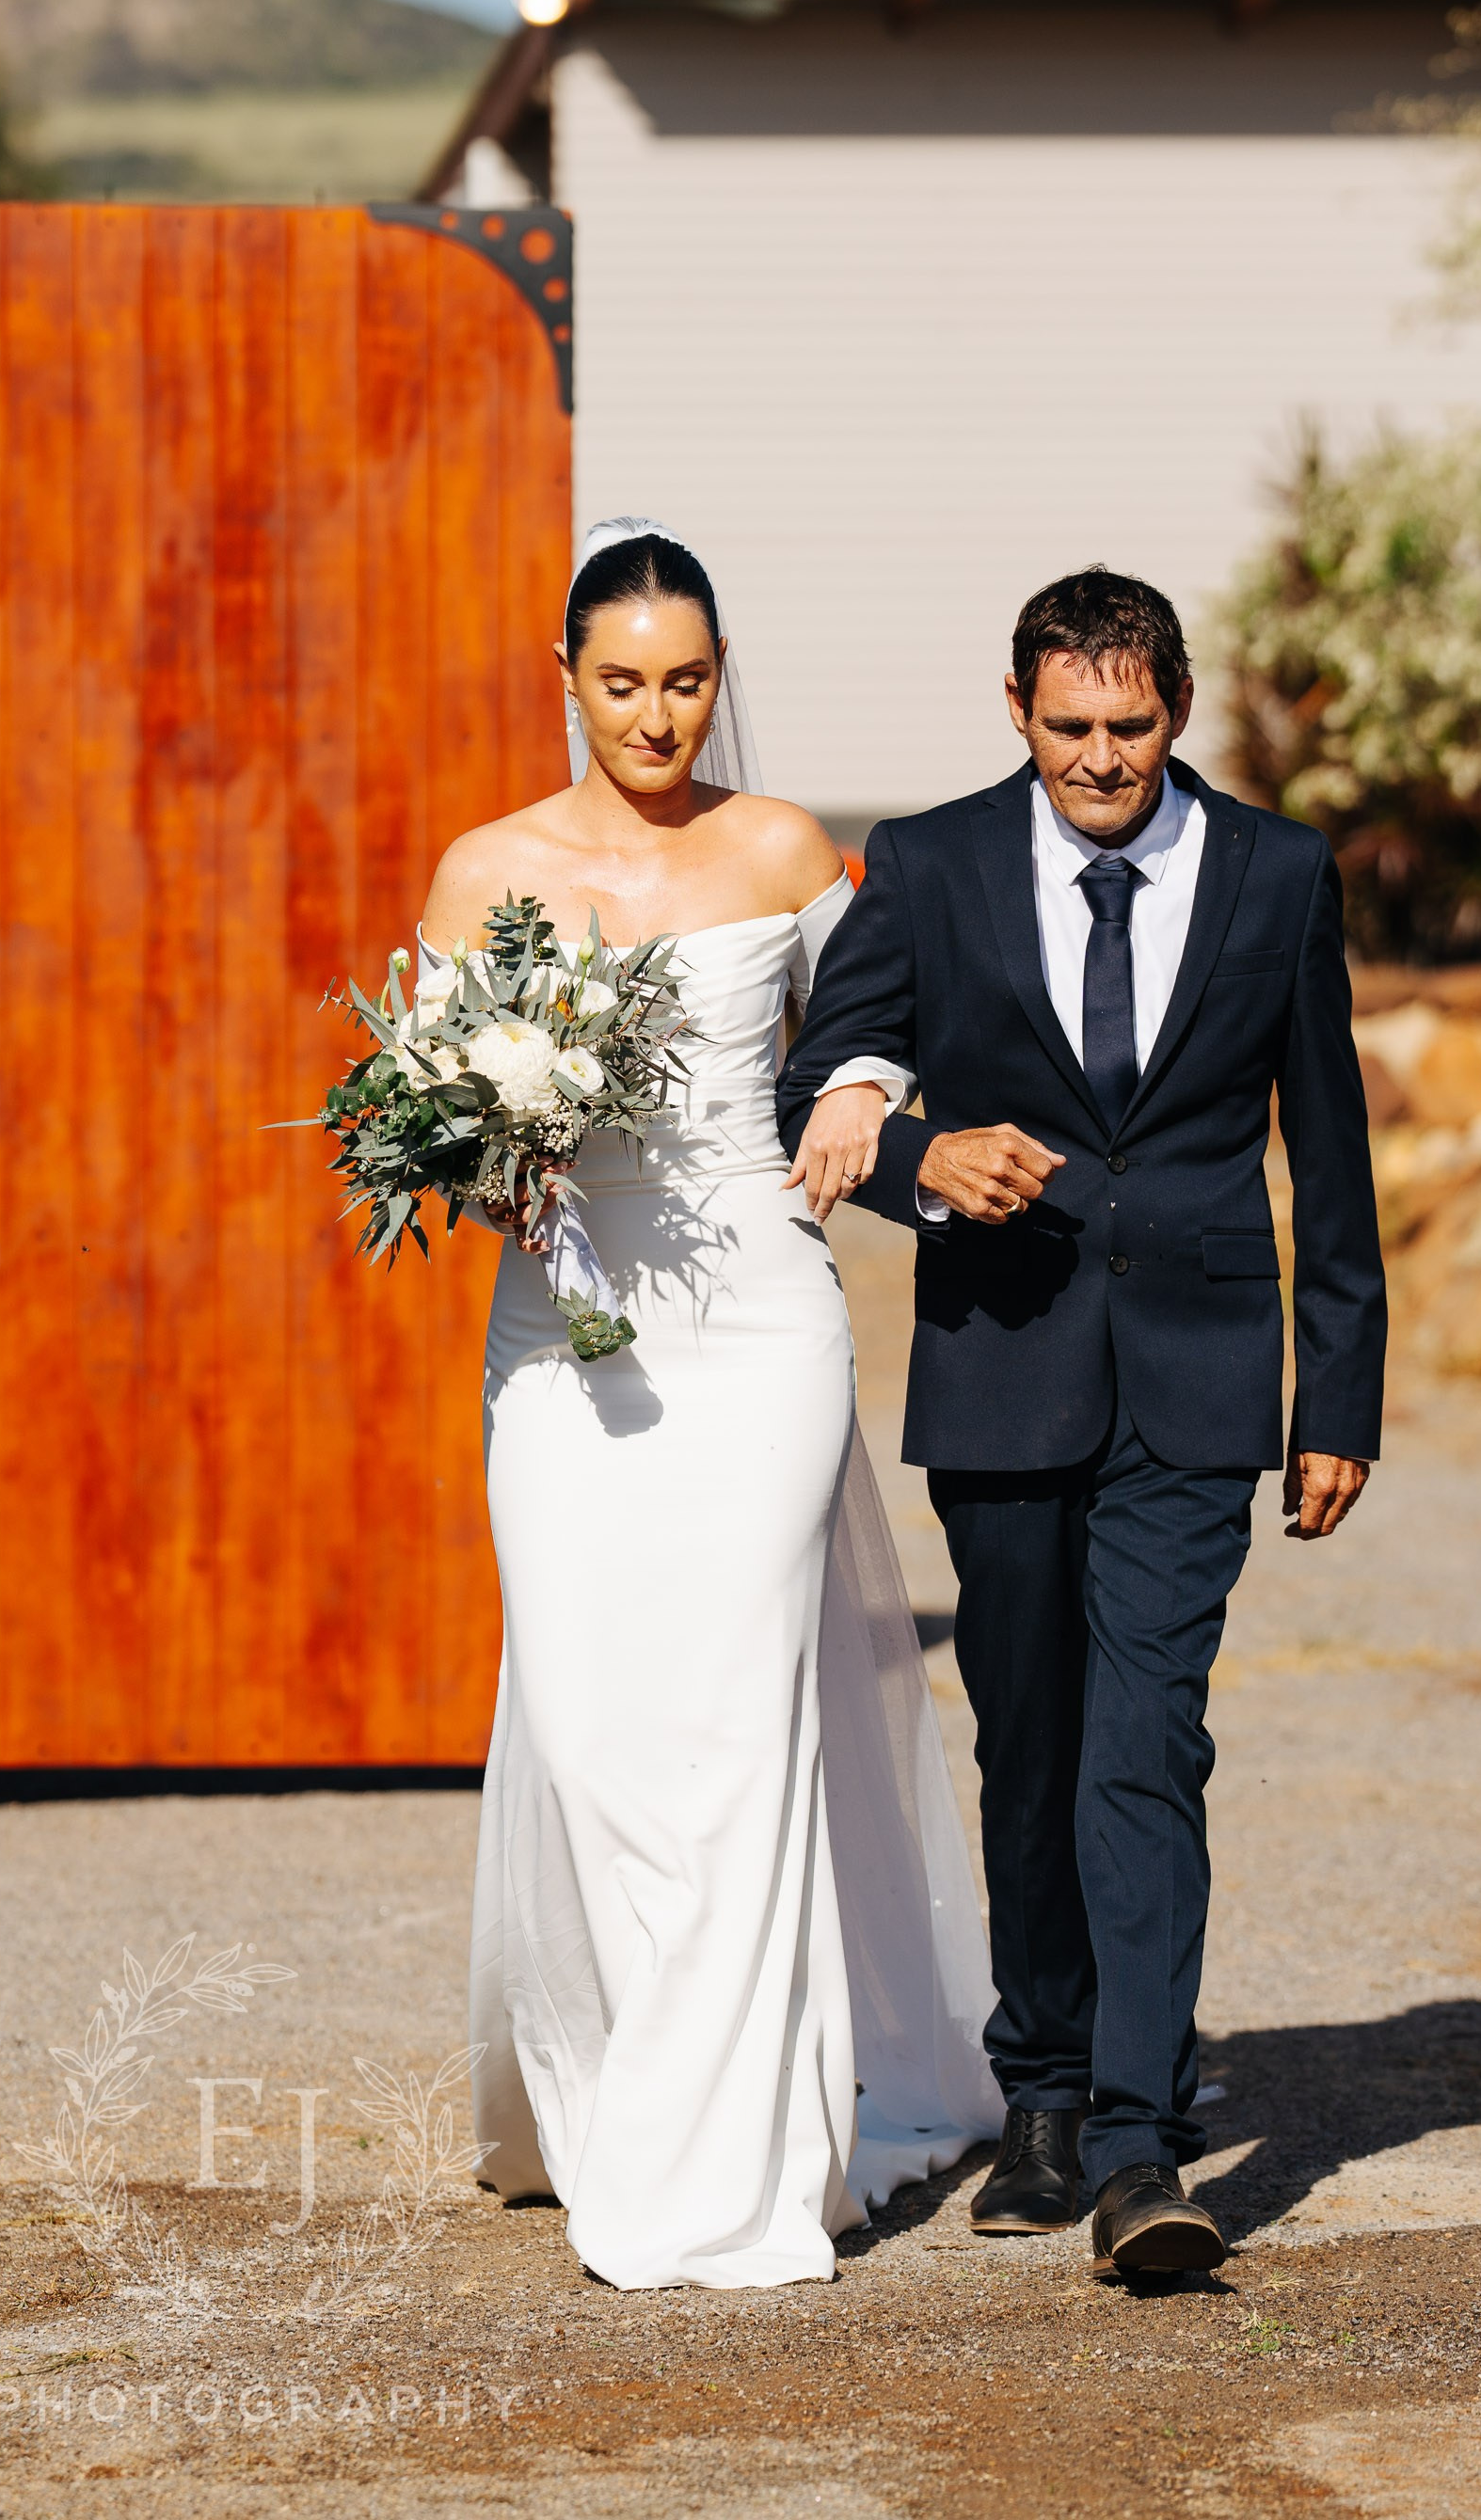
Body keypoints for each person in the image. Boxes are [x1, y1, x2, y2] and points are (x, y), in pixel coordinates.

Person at [777, 565, 1386, 2283]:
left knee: (1147, 1744)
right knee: (1028, 1743)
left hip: (1198, 1386)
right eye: (1069, 729)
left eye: (1130, 727)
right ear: (1019, 710)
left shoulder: (1277, 871)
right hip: (1003, 1360)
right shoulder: (932, 860)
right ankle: (1037, 2088)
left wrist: (1336, 1396)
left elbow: (1328, 1151)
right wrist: (922, 1163)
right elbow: (827, 1067)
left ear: (1176, 712)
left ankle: (1137, 2141)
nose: (1101, 759)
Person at [418, 517, 1000, 2293]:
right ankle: (607, 2099)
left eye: (684, 683)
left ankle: (726, 2160)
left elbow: (896, 1017)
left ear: (716, 682)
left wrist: (875, 1087)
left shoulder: (783, 849)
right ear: (566, 679)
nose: (655, 716)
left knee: (744, 1727)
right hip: (566, 1339)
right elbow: (425, 1113)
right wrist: (479, 1152)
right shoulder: (483, 868)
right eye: (621, 683)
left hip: (758, 1326)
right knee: (597, 1730)